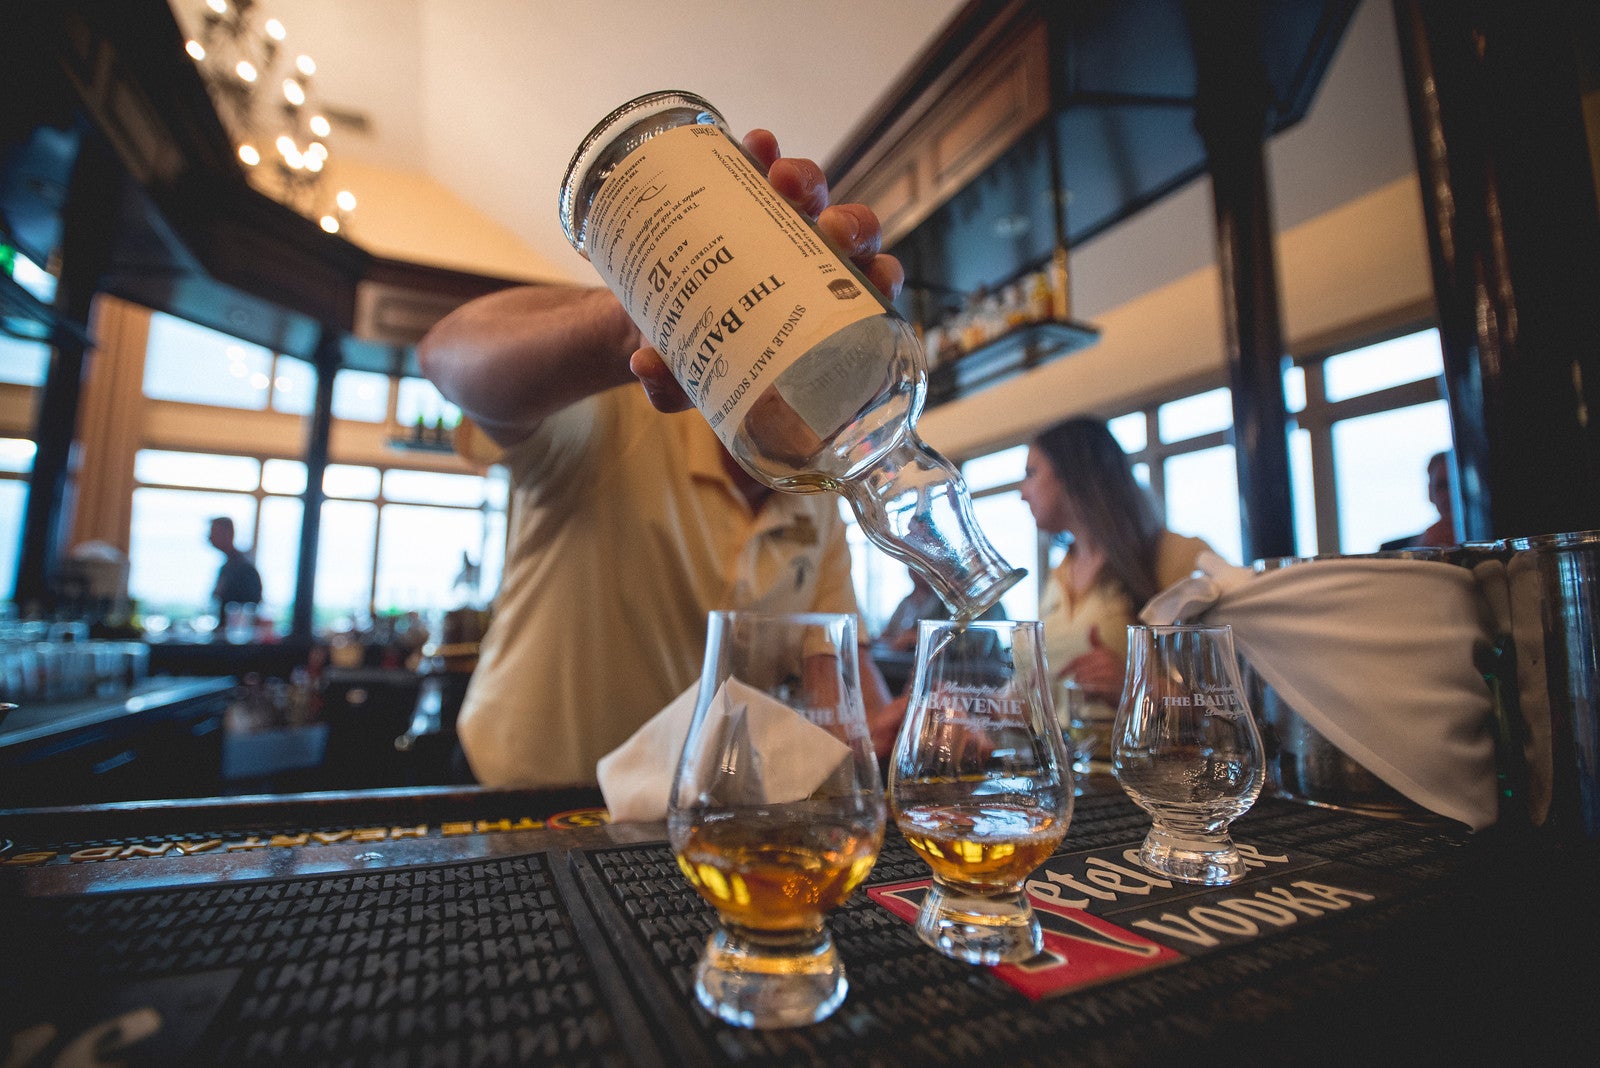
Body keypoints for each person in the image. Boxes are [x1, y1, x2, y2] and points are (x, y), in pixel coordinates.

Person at [417, 128, 906, 790]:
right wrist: (644, 316)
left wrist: (899, 723)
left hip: (690, 819)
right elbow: (448, 356)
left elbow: (833, 666)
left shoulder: (814, 492)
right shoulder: (623, 412)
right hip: (525, 797)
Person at [1018, 417, 1215, 710]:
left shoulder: (1178, 556)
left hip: (1138, 755)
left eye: (1032, 473)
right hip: (1068, 755)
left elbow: (1226, 698)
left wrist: (1137, 687)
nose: (1022, 493)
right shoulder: (1060, 573)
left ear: (1073, 473)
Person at [1380, 451, 1455, 550]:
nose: (1450, 494)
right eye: (1442, 486)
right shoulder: (1391, 553)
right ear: (1430, 492)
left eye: (1456, 485)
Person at [206, 516, 262, 625]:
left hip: (235, 635)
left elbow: (252, 605)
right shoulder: (227, 566)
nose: (209, 538)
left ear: (227, 534)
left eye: (213, 532)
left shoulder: (244, 567)